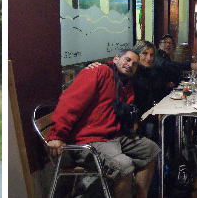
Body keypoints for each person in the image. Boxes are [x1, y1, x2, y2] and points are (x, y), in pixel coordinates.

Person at [47, 50, 160, 198]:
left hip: (114, 136)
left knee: (151, 149)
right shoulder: (99, 72)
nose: (130, 65)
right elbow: (70, 102)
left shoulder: (126, 84)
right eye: (127, 60)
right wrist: (57, 134)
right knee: (124, 165)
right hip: (90, 140)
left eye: (134, 64)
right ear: (115, 59)